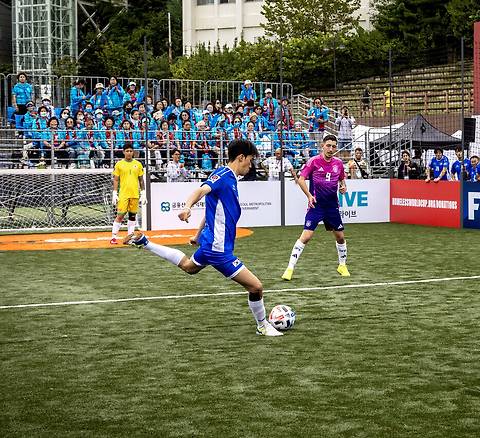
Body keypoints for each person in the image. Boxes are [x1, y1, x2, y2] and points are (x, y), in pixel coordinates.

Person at [124, 140, 282, 337]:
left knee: (189, 267)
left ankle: (145, 242)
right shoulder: (222, 176)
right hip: (218, 248)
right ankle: (262, 325)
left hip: (210, 242)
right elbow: (200, 191)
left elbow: (211, 210)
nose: (250, 166)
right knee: (256, 286)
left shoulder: (231, 178)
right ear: (241, 157)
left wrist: (197, 235)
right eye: (249, 161)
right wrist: (187, 207)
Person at [282, 135, 349, 281]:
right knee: (306, 237)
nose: (331, 149)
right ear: (322, 146)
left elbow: (342, 179)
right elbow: (300, 179)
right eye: (328, 145)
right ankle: (290, 268)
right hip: (316, 205)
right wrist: (309, 196)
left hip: (332, 206)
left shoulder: (338, 163)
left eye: (333, 146)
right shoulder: (313, 161)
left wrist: (343, 186)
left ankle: (342, 266)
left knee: (340, 237)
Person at [110, 143, 146, 245]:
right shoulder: (119, 164)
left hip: (134, 194)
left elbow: (141, 180)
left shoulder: (138, 164)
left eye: (131, 151)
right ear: (123, 152)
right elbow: (116, 180)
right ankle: (113, 237)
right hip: (123, 194)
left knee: (132, 216)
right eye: (127, 151)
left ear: (133, 152)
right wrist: (114, 193)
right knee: (120, 215)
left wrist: (143, 193)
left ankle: (129, 237)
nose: (129, 153)